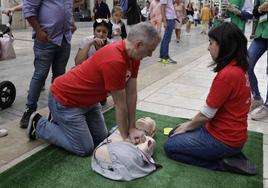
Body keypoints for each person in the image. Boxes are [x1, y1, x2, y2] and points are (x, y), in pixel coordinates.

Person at [27, 22, 161, 157]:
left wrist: (132, 127)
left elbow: (131, 94)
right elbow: (120, 104)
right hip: (65, 101)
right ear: (138, 45)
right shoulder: (115, 60)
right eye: (151, 50)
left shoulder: (134, 56)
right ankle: (39, 124)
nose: (150, 55)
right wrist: (126, 138)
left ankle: (58, 120)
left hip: (89, 102)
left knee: (101, 137)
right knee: (84, 148)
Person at [164, 22, 257, 175]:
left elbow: (206, 114)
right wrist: (188, 125)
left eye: (211, 43)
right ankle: (231, 154)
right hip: (234, 137)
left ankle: (222, 163)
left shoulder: (227, 75)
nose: (208, 47)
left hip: (223, 140)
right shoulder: (239, 69)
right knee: (177, 130)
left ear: (225, 45)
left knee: (171, 146)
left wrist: (188, 126)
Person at [19, 0, 76, 129]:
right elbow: (28, 8)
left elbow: (67, 8)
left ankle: (56, 110)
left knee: (60, 76)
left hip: (64, 39)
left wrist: (72, 23)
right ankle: (29, 110)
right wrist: (38, 31)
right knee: (40, 76)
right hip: (46, 39)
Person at [92, 117, 158, 181]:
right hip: (103, 152)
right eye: (144, 117)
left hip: (118, 158)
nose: (144, 118)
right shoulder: (123, 128)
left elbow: (139, 153)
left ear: (152, 132)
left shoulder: (149, 139)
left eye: (147, 119)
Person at [247, 0, 268, 120]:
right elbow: (255, 13)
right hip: (261, 33)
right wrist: (261, 9)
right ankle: (257, 97)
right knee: (246, 63)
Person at [158, 0, 177, 64]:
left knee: (165, 39)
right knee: (167, 39)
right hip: (169, 19)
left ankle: (162, 56)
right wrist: (165, 21)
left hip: (170, 19)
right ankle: (165, 57)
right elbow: (162, 8)